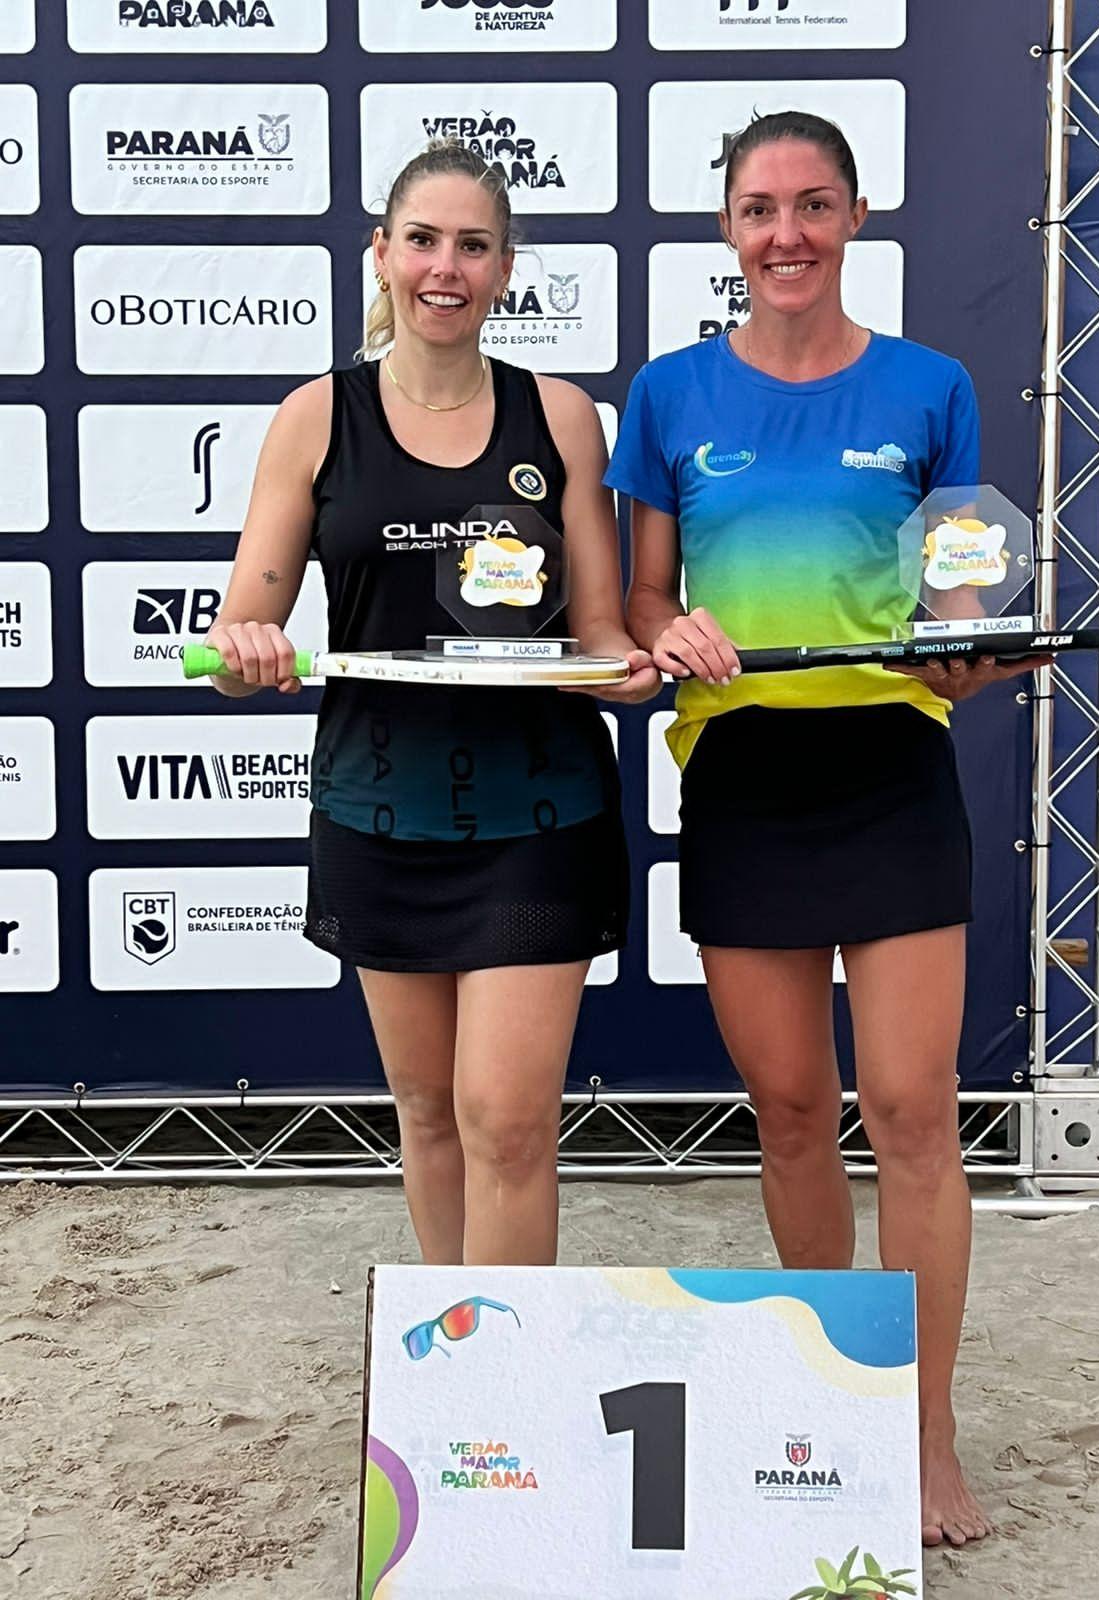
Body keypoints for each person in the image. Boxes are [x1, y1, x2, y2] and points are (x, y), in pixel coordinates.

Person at [608, 111, 1052, 1547]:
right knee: (795, 1113)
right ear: (726, 229)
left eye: (812, 204)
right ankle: (832, 1418)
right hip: (744, 778)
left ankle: (921, 1441)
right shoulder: (670, 397)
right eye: (757, 208)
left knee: (918, 1119)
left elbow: (958, 592)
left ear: (856, 217)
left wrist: (964, 650)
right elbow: (635, 606)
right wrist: (670, 632)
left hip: (891, 770)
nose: (785, 232)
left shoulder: (932, 387)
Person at [204, 140, 659, 1267]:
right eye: (422, 240)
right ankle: (463, 1393)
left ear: (506, 269)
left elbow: (600, 633)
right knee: (427, 1116)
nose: (443, 267)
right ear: (382, 253)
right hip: (379, 812)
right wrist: (246, 648)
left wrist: (624, 669)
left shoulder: (558, 418)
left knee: (506, 1120)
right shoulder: (316, 417)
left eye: (472, 245)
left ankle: (513, 1389)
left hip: (540, 819)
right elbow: (236, 632)